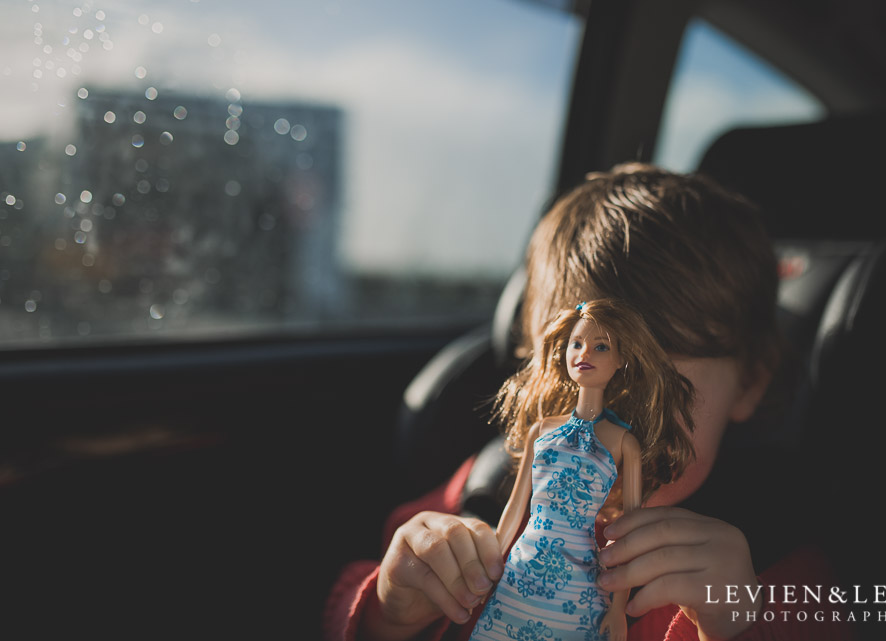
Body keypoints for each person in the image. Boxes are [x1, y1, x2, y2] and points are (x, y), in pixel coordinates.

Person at [324, 163, 851, 641]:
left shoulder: (771, 572)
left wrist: (737, 627)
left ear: (751, 382)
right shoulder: (487, 491)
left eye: (659, 374)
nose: (622, 403)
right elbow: (359, 595)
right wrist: (387, 613)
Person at [469, 299, 695, 641]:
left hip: (577, 579)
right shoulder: (542, 430)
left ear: (620, 360)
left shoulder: (623, 443)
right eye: (576, 343)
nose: (583, 353)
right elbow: (516, 506)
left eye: (600, 346)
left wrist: (618, 609)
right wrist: (491, 568)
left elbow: (627, 534)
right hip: (523, 568)